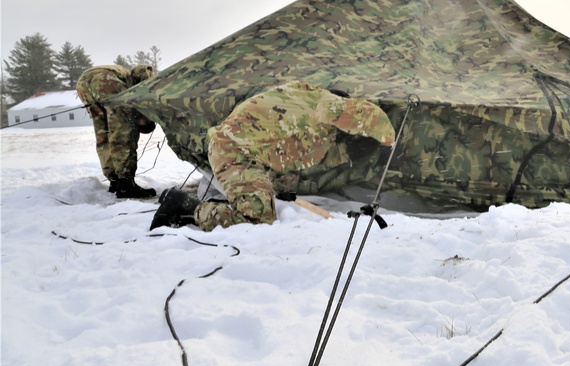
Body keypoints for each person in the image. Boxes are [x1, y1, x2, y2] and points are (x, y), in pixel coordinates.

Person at [150, 81, 396, 232]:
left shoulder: (302, 95)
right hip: (234, 154)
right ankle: (186, 206)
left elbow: (301, 155)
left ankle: (237, 202)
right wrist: (386, 139)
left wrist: (348, 154)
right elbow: (335, 118)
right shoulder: (325, 107)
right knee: (257, 220)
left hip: (249, 152)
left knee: (277, 191)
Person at [76, 64, 157, 198]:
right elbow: (133, 112)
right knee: (124, 133)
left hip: (83, 84)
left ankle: (115, 181)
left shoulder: (124, 75)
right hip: (106, 81)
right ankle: (126, 185)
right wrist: (141, 120)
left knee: (104, 134)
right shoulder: (134, 82)